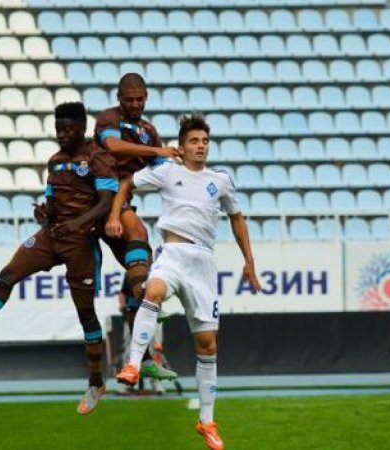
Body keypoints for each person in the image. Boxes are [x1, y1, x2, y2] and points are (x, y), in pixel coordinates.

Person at [0, 102, 118, 416]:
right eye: (58, 129)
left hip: (81, 243)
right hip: (51, 235)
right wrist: (44, 212)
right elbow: (51, 202)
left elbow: (105, 204)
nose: (61, 135)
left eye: (67, 129)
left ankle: (95, 382)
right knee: (8, 274)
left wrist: (78, 222)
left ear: (82, 128)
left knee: (86, 314)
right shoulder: (55, 162)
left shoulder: (98, 158)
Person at [115, 114, 262, 450]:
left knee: (208, 346)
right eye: (194, 141)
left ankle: (206, 421)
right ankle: (133, 365)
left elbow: (237, 218)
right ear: (181, 147)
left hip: (203, 263)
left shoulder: (220, 180)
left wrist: (249, 262)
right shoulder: (167, 171)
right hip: (172, 253)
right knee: (153, 291)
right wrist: (115, 215)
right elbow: (126, 184)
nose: (201, 146)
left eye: (205, 141)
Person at [96, 72, 180, 381]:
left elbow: (165, 171)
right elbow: (113, 146)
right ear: (119, 98)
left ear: (146, 98)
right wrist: (157, 151)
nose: (134, 104)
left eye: (139, 99)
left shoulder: (148, 131)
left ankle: (141, 358)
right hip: (99, 197)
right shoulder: (109, 119)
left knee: (141, 267)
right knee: (139, 234)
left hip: (121, 201)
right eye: (129, 99)